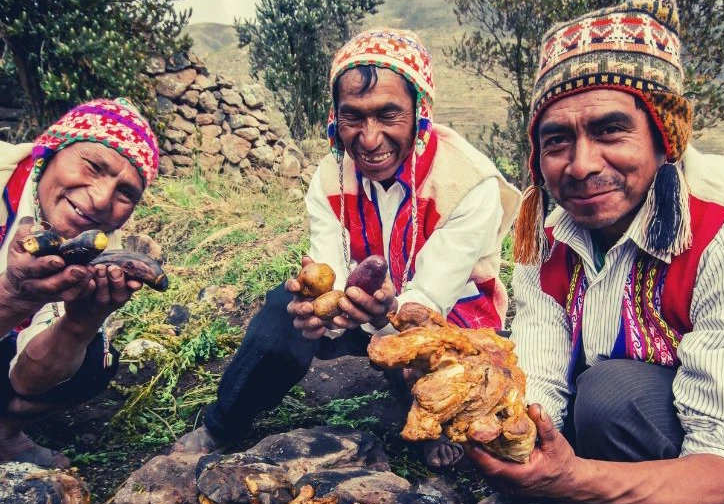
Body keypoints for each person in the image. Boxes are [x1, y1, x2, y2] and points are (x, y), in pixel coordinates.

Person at [467, 0, 724, 504]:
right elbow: (541, 376)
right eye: (557, 140)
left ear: (665, 135)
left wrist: (571, 478)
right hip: (642, 439)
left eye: (609, 130)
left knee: (611, 394)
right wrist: (519, 437)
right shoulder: (550, 236)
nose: (580, 165)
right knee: (593, 396)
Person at [174, 28, 522, 468]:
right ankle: (223, 424)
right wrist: (319, 306)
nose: (369, 139)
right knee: (287, 307)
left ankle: (428, 415)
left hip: (448, 316)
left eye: (388, 115)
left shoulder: (470, 183)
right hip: (361, 311)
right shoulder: (329, 175)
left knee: (441, 363)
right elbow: (329, 270)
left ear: (420, 113)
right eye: (352, 116)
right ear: (334, 116)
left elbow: (430, 297)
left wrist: (385, 314)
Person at [0, 98, 159, 467]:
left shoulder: (99, 247)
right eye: (93, 166)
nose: (102, 200)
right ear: (51, 147)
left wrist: (78, 326)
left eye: (125, 193)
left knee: (93, 363)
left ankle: (4, 434)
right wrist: (12, 295)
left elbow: (28, 382)